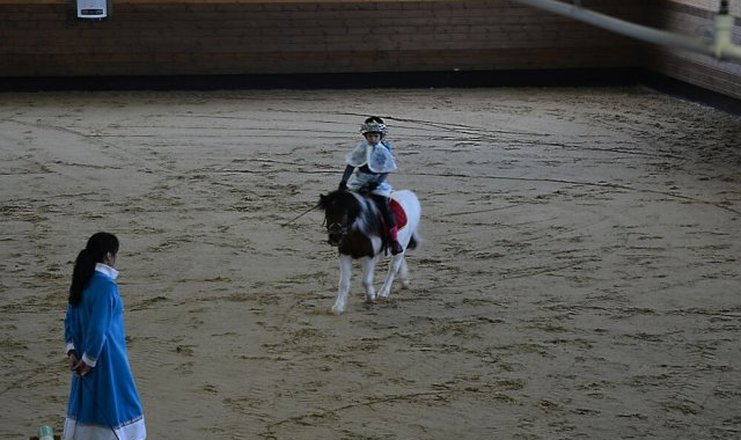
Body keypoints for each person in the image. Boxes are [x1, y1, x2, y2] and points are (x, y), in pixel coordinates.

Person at [63, 232, 146, 440]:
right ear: (109, 256)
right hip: (106, 358)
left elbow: (70, 320)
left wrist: (72, 352)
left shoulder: (82, 282)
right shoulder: (106, 286)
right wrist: (89, 361)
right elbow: (98, 329)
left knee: (86, 407)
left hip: (80, 358)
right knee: (116, 404)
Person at [339, 116, 404, 255]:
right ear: (365, 136)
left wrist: (375, 183)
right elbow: (351, 165)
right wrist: (343, 181)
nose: (373, 139)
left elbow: (386, 170)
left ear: (380, 136)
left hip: (377, 184)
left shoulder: (383, 150)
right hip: (358, 181)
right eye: (370, 136)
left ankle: (394, 240)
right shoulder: (361, 148)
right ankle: (341, 233)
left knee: (385, 208)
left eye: (375, 136)